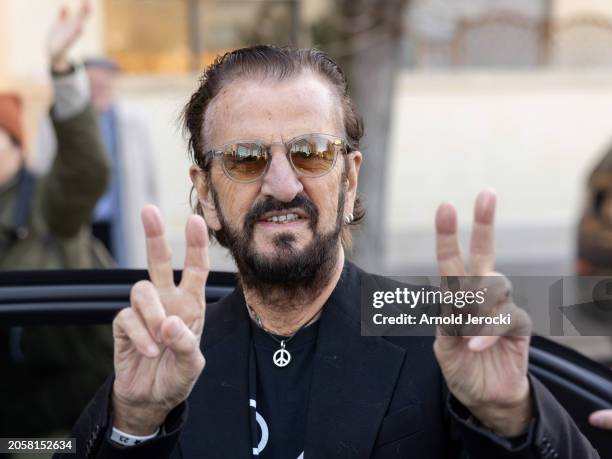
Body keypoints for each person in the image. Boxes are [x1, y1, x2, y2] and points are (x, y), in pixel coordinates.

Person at [62, 46, 598, 458]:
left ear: (348, 181)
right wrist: (134, 424)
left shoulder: (442, 324)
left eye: (311, 153)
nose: (281, 184)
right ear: (207, 193)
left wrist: (509, 418)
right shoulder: (171, 351)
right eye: (246, 158)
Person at [0, 0, 113, 438]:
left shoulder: (47, 205)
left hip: (63, 412)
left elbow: (87, 168)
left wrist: (61, 67)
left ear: (17, 147)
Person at [84, 56, 159, 268]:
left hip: (120, 217)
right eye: (92, 85)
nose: (97, 90)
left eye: (102, 84)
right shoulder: (71, 124)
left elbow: (149, 176)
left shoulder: (132, 120)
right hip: (85, 220)